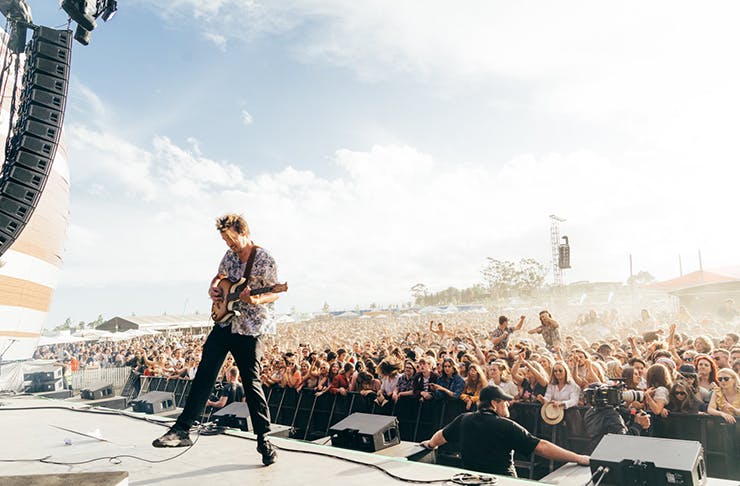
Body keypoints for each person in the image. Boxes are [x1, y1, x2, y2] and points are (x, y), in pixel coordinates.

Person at [153, 213, 282, 466]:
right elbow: (219, 277)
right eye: (224, 239)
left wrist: (256, 299)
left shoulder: (264, 259)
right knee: (205, 372)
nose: (228, 244)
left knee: (251, 382)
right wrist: (213, 289)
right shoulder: (229, 257)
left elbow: (274, 293)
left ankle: (264, 439)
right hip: (225, 321)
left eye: (231, 239)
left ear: (244, 231)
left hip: (250, 327)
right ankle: (182, 430)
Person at [420, 385, 589, 477]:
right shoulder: (506, 425)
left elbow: (439, 437)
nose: (507, 404)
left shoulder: (463, 419)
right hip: (501, 481)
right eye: (504, 401)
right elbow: (542, 447)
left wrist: (429, 444)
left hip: (471, 480)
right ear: (494, 403)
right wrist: (578, 458)